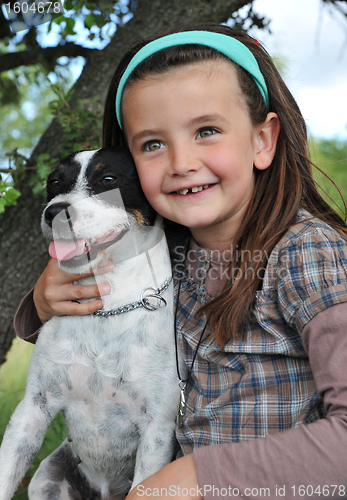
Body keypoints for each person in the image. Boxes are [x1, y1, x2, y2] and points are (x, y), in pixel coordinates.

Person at [15, 23, 347, 499]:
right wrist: (43, 305)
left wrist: (196, 476)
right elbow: (78, 327)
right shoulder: (167, 251)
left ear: (262, 140)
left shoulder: (306, 254)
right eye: (152, 144)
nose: (180, 161)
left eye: (207, 131)